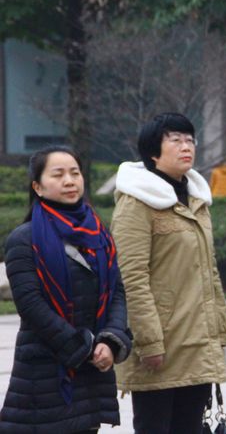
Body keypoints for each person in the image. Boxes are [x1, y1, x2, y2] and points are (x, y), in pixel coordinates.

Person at [110, 113, 226, 434]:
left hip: (197, 340)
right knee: (155, 426)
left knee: (190, 426)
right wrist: (149, 341)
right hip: (162, 342)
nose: (186, 147)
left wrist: (219, 329)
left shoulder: (197, 199)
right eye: (175, 140)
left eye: (190, 140)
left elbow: (209, 271)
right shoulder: (136, 203)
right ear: (153, 152)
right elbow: (131, 276)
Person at [0, 145, 131, 433]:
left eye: (75, 173)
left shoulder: (98, 234)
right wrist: (82, 347)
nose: (70, 181)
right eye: (58, 175)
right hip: (44, 375)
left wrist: (110, 340)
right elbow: (31, 305)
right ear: (38, 187)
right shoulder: (24, 239)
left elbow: (116, 292)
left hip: (92, 372)